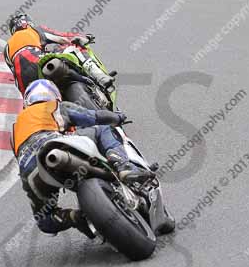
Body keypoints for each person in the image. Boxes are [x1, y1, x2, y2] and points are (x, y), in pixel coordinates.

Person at [12, 79, 153, 238]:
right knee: (102, 129)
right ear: (55, 95)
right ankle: (123, 165)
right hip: (53, 143)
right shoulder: (56, 106)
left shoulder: (16, 126)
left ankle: (75, 217)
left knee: (45, 220)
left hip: (29, 170)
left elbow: (19, 152)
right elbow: (94, 117)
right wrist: (117, 117)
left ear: (27, 101)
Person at [4, 11, 96, 95]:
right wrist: (84, 37)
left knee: (34, 103)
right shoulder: (34, 30)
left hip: (23, 81)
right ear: (28, 22)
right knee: (72, 49)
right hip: (38, 61)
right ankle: (90, 79)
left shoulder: (7, 48)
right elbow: (63, 38)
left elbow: (13, 70)